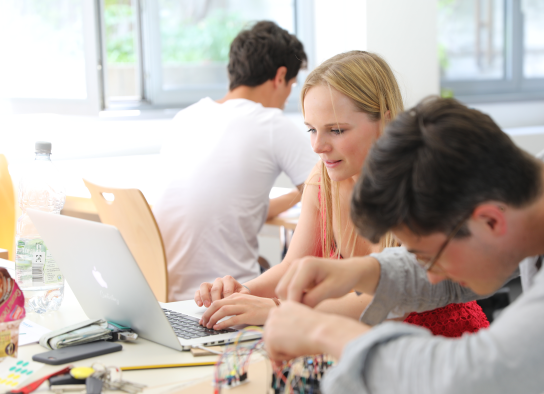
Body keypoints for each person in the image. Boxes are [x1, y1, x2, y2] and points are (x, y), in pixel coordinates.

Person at [264, 97, 544, 394]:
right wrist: (363, 273)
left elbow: (481, 376)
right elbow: (466, 262)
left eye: (429, 256)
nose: (431, 273)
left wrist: (324, 330)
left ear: (490, 218)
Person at [196, 51, 489, 337]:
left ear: (384, 121)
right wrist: (241, 295)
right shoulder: (323, 179)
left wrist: (278, 309)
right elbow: (292, 265)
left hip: (442, 344)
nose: (317, 145)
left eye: (336, 130)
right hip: (373, 342)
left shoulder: (419, 184)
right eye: (311, 129)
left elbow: (390, 297)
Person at [153, 21, 318, 301]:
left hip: (165, 296)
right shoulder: (271, 123)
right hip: (227, 298)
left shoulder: (186, 118)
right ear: (280, 77)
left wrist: (293, 196)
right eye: (291, 84)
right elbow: (329, 198)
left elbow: (227, 210)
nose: (289, 94)